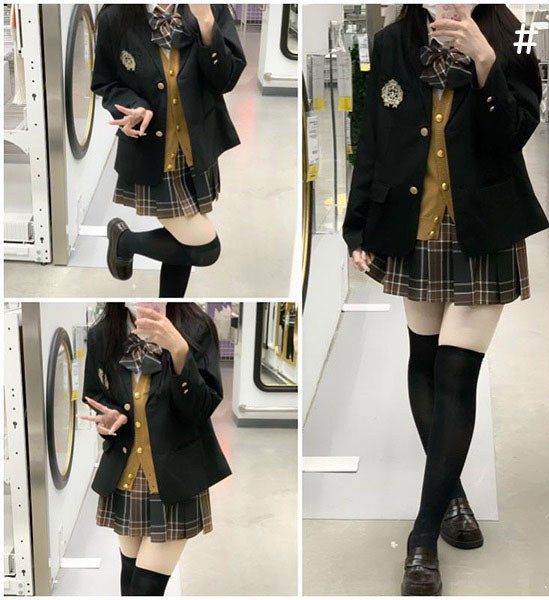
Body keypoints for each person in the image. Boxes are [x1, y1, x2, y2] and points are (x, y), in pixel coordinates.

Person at [342, 4, 549, 596]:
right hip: (414, 228)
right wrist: (357, 226)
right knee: (425, 361)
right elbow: (372, 137)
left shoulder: (513, 35)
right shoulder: (391, 41)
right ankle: (452, 492)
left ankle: (421, 537)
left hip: (484, 228)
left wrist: (485, 62)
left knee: (457, 375)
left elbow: (514, 136)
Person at [91, 4, 246, 297]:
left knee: (182, 243)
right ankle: (124, 241)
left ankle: (170, 305)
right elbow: (106, 82)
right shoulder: (115, 17)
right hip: (154, 153)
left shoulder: (210, 7)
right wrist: (135, 107)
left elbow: (225, 80)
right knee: (204, 249)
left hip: (196, 149)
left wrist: (206, 24)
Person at [80, 302, 230, 596]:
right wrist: (110, 416)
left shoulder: (196, 327)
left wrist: (179, 352)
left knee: (145, 587)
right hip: (126, 477)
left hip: (174, 477)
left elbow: (201, 409)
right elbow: (94, 392)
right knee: (129, 578)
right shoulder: (105, 332)